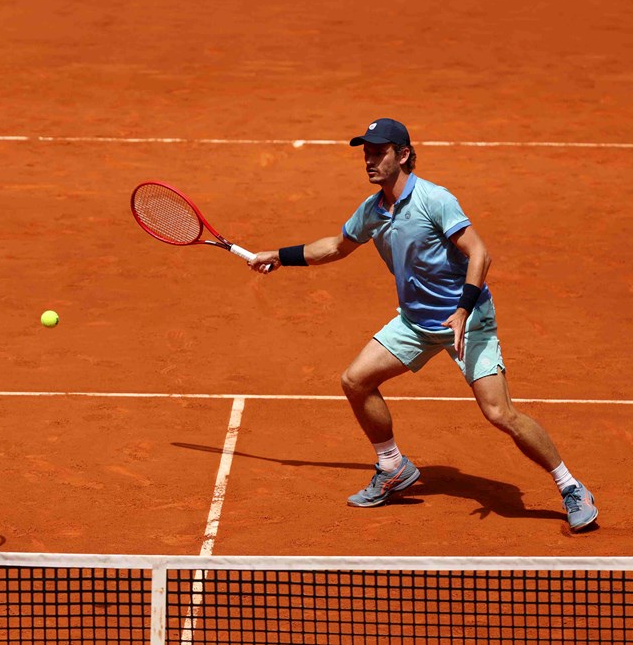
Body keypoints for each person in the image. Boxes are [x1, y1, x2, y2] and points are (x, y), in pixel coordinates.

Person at [248, 118, 599, 532]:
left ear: (404, 155)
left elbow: (479, 254)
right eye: (367, 153)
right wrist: (277, 254)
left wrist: (464, 309)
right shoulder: (373, 210)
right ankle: (393, 466)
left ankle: (571, 486)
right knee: (355, 380)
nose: (370, 160)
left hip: (467, 322)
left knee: (499, 412)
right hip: (416, 323)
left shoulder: (435, 199)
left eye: (379, 152)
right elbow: (335, 247)